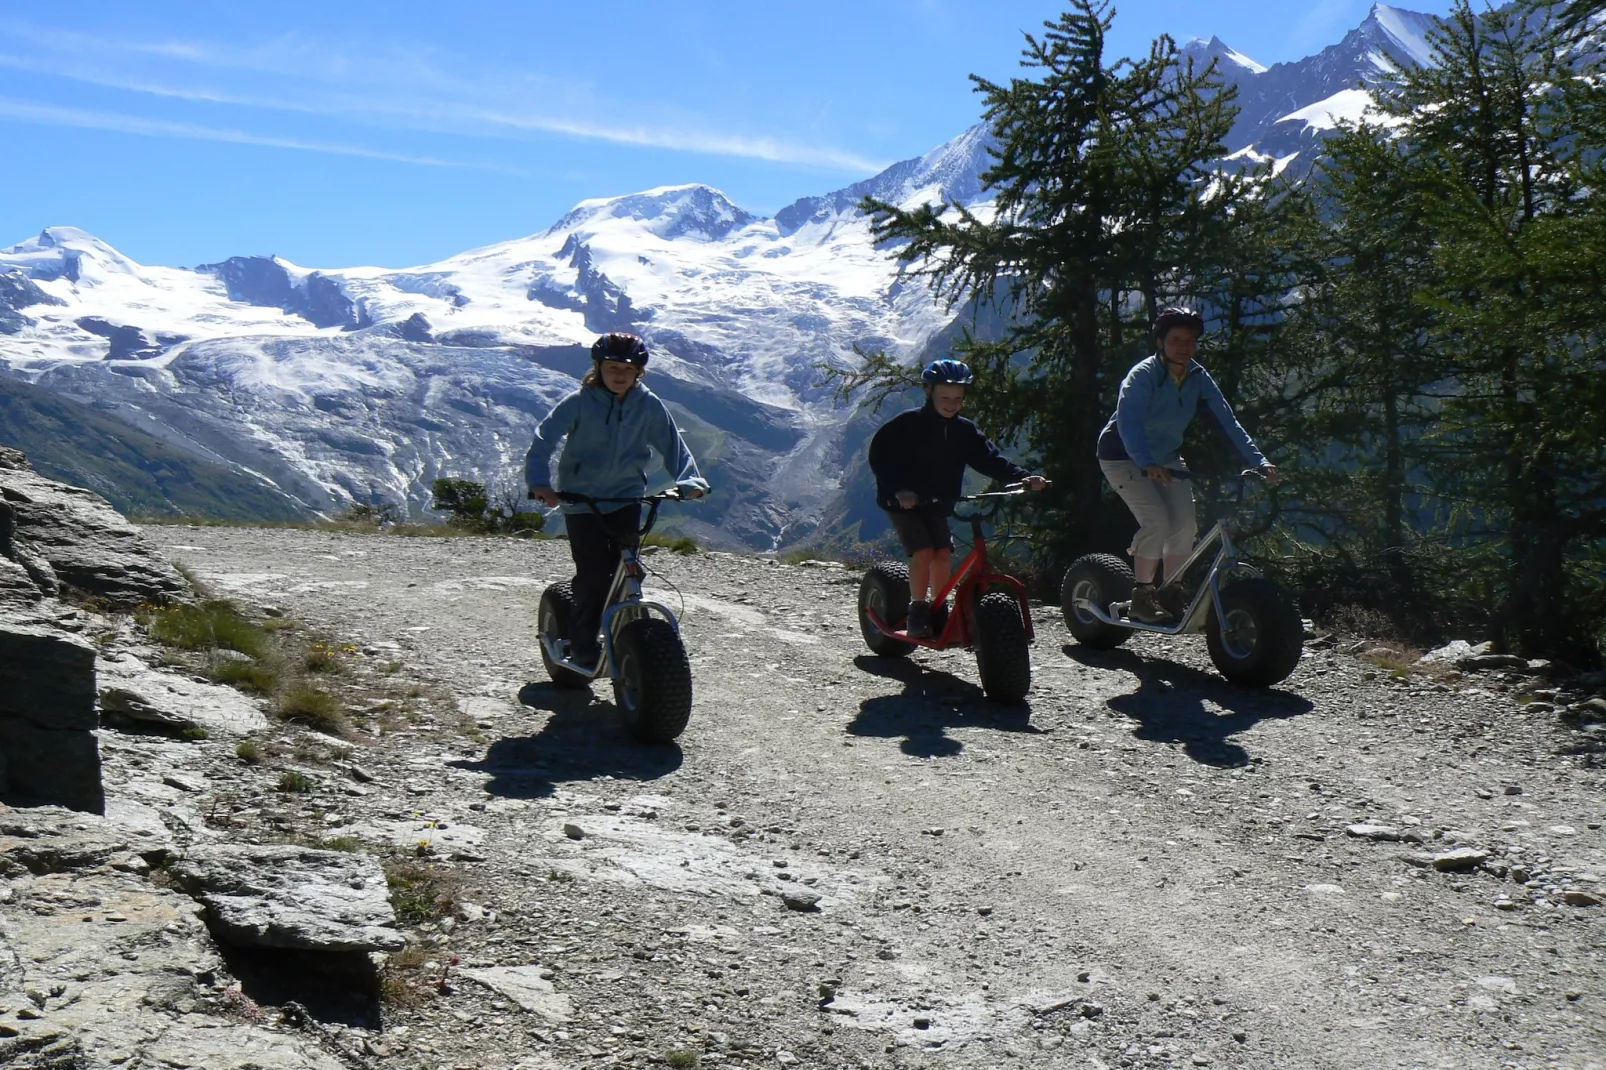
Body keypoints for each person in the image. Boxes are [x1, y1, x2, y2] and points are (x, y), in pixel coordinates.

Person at [525, 332, 709, 670]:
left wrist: (690, 480)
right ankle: (582, 644)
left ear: (640, 372)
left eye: (627, 368)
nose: (619, 374)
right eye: (612, 367)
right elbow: (543, 438)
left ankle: (629, 637)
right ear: (599, 368)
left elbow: (673, 445)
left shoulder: (648, 405)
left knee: (628, 571)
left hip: (626, 498)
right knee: (595, 575)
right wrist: (540, 483)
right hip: (581, 502)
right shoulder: (579, 402)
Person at [1096, 307, 1278, 623]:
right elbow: (1129, 421)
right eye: (1176, 340)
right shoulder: (1142, 376)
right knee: (1157, 522)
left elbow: (1229, 422)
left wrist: (1259, 461)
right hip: (1122, 456)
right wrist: (1146, 461)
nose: (1184, 347)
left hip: (1166, 458)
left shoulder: (1197, 377)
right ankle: (1142, 596)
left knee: (1185, 526)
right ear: (1160, 342)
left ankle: (1170, 592)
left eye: (1191, 341)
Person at [868, 359, 1048, 638]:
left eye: (957, 398)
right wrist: (900, 490)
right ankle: (917, 610)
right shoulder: (907, 424)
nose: (951, 404)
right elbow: (880, 457)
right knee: (924, 550)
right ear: (929, 392)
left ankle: (939, 609)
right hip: (903, 502)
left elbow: (989, 459)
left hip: (938, 500)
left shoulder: (964, 430)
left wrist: (1022, 477)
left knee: (942, 553)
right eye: (945, 397)